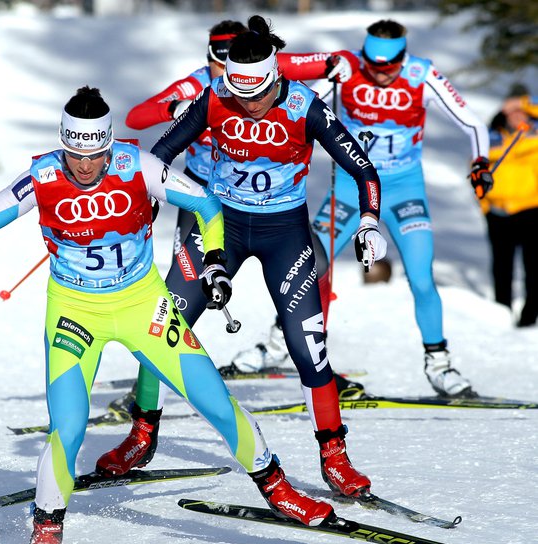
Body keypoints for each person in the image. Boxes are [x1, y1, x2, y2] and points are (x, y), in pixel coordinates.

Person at [0, 86, 336, 544]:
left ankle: (277, 488)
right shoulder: (41, 176)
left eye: (96, 154)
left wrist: (213, 261)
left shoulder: (138, 165)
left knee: (213, 400)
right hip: (75, 313)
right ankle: (45, 534)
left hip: (144, 306)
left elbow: (208, 205)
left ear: (110, 144)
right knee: (68, 425)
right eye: (75, 155)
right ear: (63, 144)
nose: (85, 167)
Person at [96, 16, 386, 501]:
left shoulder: (303, 104)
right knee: (163, 322)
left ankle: (334, 455)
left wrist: (370, 220)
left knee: (306, 342)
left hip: (283, 233)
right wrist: (142, 201)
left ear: (275, 78)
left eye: (258, 95)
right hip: (218, 226)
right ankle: (142, 435)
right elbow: (160, 154)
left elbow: (363, 169)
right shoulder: (215, 98)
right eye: (238, 94)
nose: (248, 106)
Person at [233, 19, 493, 398]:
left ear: (403, 57)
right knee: (310, 265)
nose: (380, 73)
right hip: (352, 188)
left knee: (421, 276)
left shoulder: (422, 73)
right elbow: (297, 99)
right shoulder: (347, 66)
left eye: (389, 66)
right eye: (373, 64)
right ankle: (279, 345)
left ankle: (439, 364)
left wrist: (480, 162)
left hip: (404, 189)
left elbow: (472, 122)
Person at [126, 20, 246, 255]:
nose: (226, 74)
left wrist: (337, 65)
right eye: (219, 65)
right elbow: (134, 118)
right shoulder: (196, 84)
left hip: (246, 190)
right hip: (199, 184)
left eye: (232, 65)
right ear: (209, 60)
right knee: (184, 271)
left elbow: (329, 61)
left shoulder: (257, 82)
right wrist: (174, 107)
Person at [480, 84, 538, 327]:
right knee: (501, 268)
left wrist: (524, 102)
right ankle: (501, 313)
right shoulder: (492, 137)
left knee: (533, 267)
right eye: (511, 110)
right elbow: (478, 173)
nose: (516, 115)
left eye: (520, 110)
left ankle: (529, 316)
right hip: (499, 213)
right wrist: (485, 207)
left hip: (531, 211)